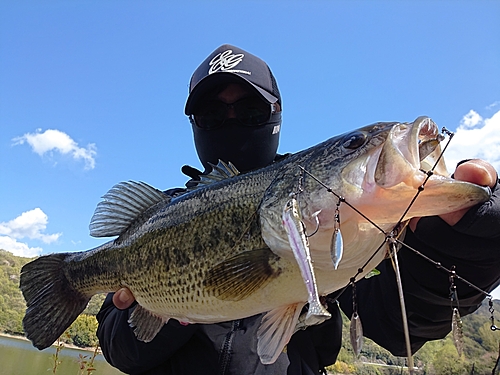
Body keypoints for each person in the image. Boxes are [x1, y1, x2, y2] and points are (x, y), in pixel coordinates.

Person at [96, 44, 500, 374]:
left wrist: (460, 257)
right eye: (213, 114)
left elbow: (399, 326)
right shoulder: (157, 220)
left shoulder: (345, 234)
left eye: (251, 112)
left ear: (275, 117)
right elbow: (122, 350)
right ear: (195, 124)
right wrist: (173, 309)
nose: (232, 122)